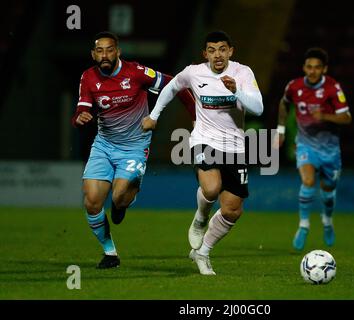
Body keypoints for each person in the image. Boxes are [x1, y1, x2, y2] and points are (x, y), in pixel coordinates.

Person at [142, 30, 263, 275]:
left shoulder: (243, 72)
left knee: (232, 209)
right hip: (204, 139)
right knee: (211, 188)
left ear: (230, 51)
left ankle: (203, 252)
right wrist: (154, 116)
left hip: (235, 147)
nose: (217, 55)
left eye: (222, 49)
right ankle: (200, 217)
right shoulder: (194, 72)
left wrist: (236, 90)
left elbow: (258, 108)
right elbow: (171, 87)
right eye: (211, 50)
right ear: (204, 53)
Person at [71, 31, 195, 269]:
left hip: (134, 147)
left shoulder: (136, 73)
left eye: (109, 50)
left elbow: (176, 85)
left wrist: (194, 116)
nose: (105, 55)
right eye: (100, 50)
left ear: (118, 51)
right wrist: (79, 118)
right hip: (104, 145)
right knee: (92, 202)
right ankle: (110, 253)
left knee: (118, 197)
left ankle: (124, 200)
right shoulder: (88, 77)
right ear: (93, 54)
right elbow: (80, 110)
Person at [273, 47, 352, 251]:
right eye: (309, 67)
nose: (312, 71)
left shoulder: (333, 88)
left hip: (330, 150)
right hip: (306, 144)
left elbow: (347, 117)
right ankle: (304, 225)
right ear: (304, 67)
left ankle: (327, 221)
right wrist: (280, 130)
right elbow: (284, 104)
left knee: (328, 192)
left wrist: (324, 116)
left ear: (324, 69)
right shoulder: (294, 86)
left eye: (317, 67)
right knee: (308, 181)